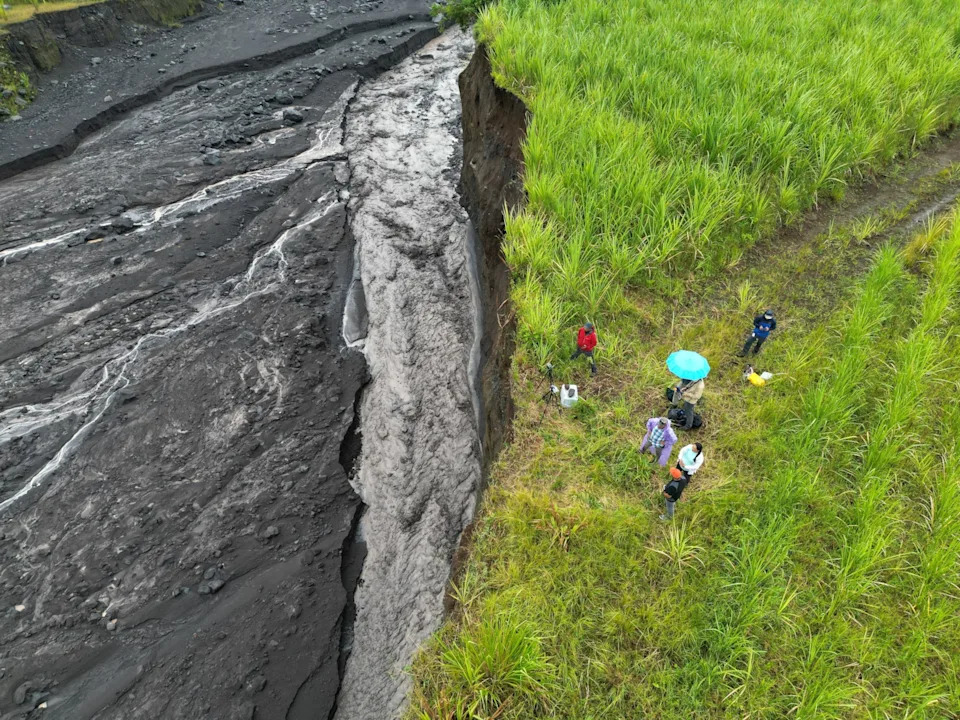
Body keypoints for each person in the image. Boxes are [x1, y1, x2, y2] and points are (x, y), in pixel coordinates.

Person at [660, 443, 703, 520]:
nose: (692, 448)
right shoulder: (683, 479)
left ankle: (669, 517)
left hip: (671, 499)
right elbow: (682, 450)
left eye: (694, 448)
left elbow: (668, 495)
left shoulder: (673, 486)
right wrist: (680, 460)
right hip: (677, 494)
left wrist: (665, 493)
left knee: (670, 507)